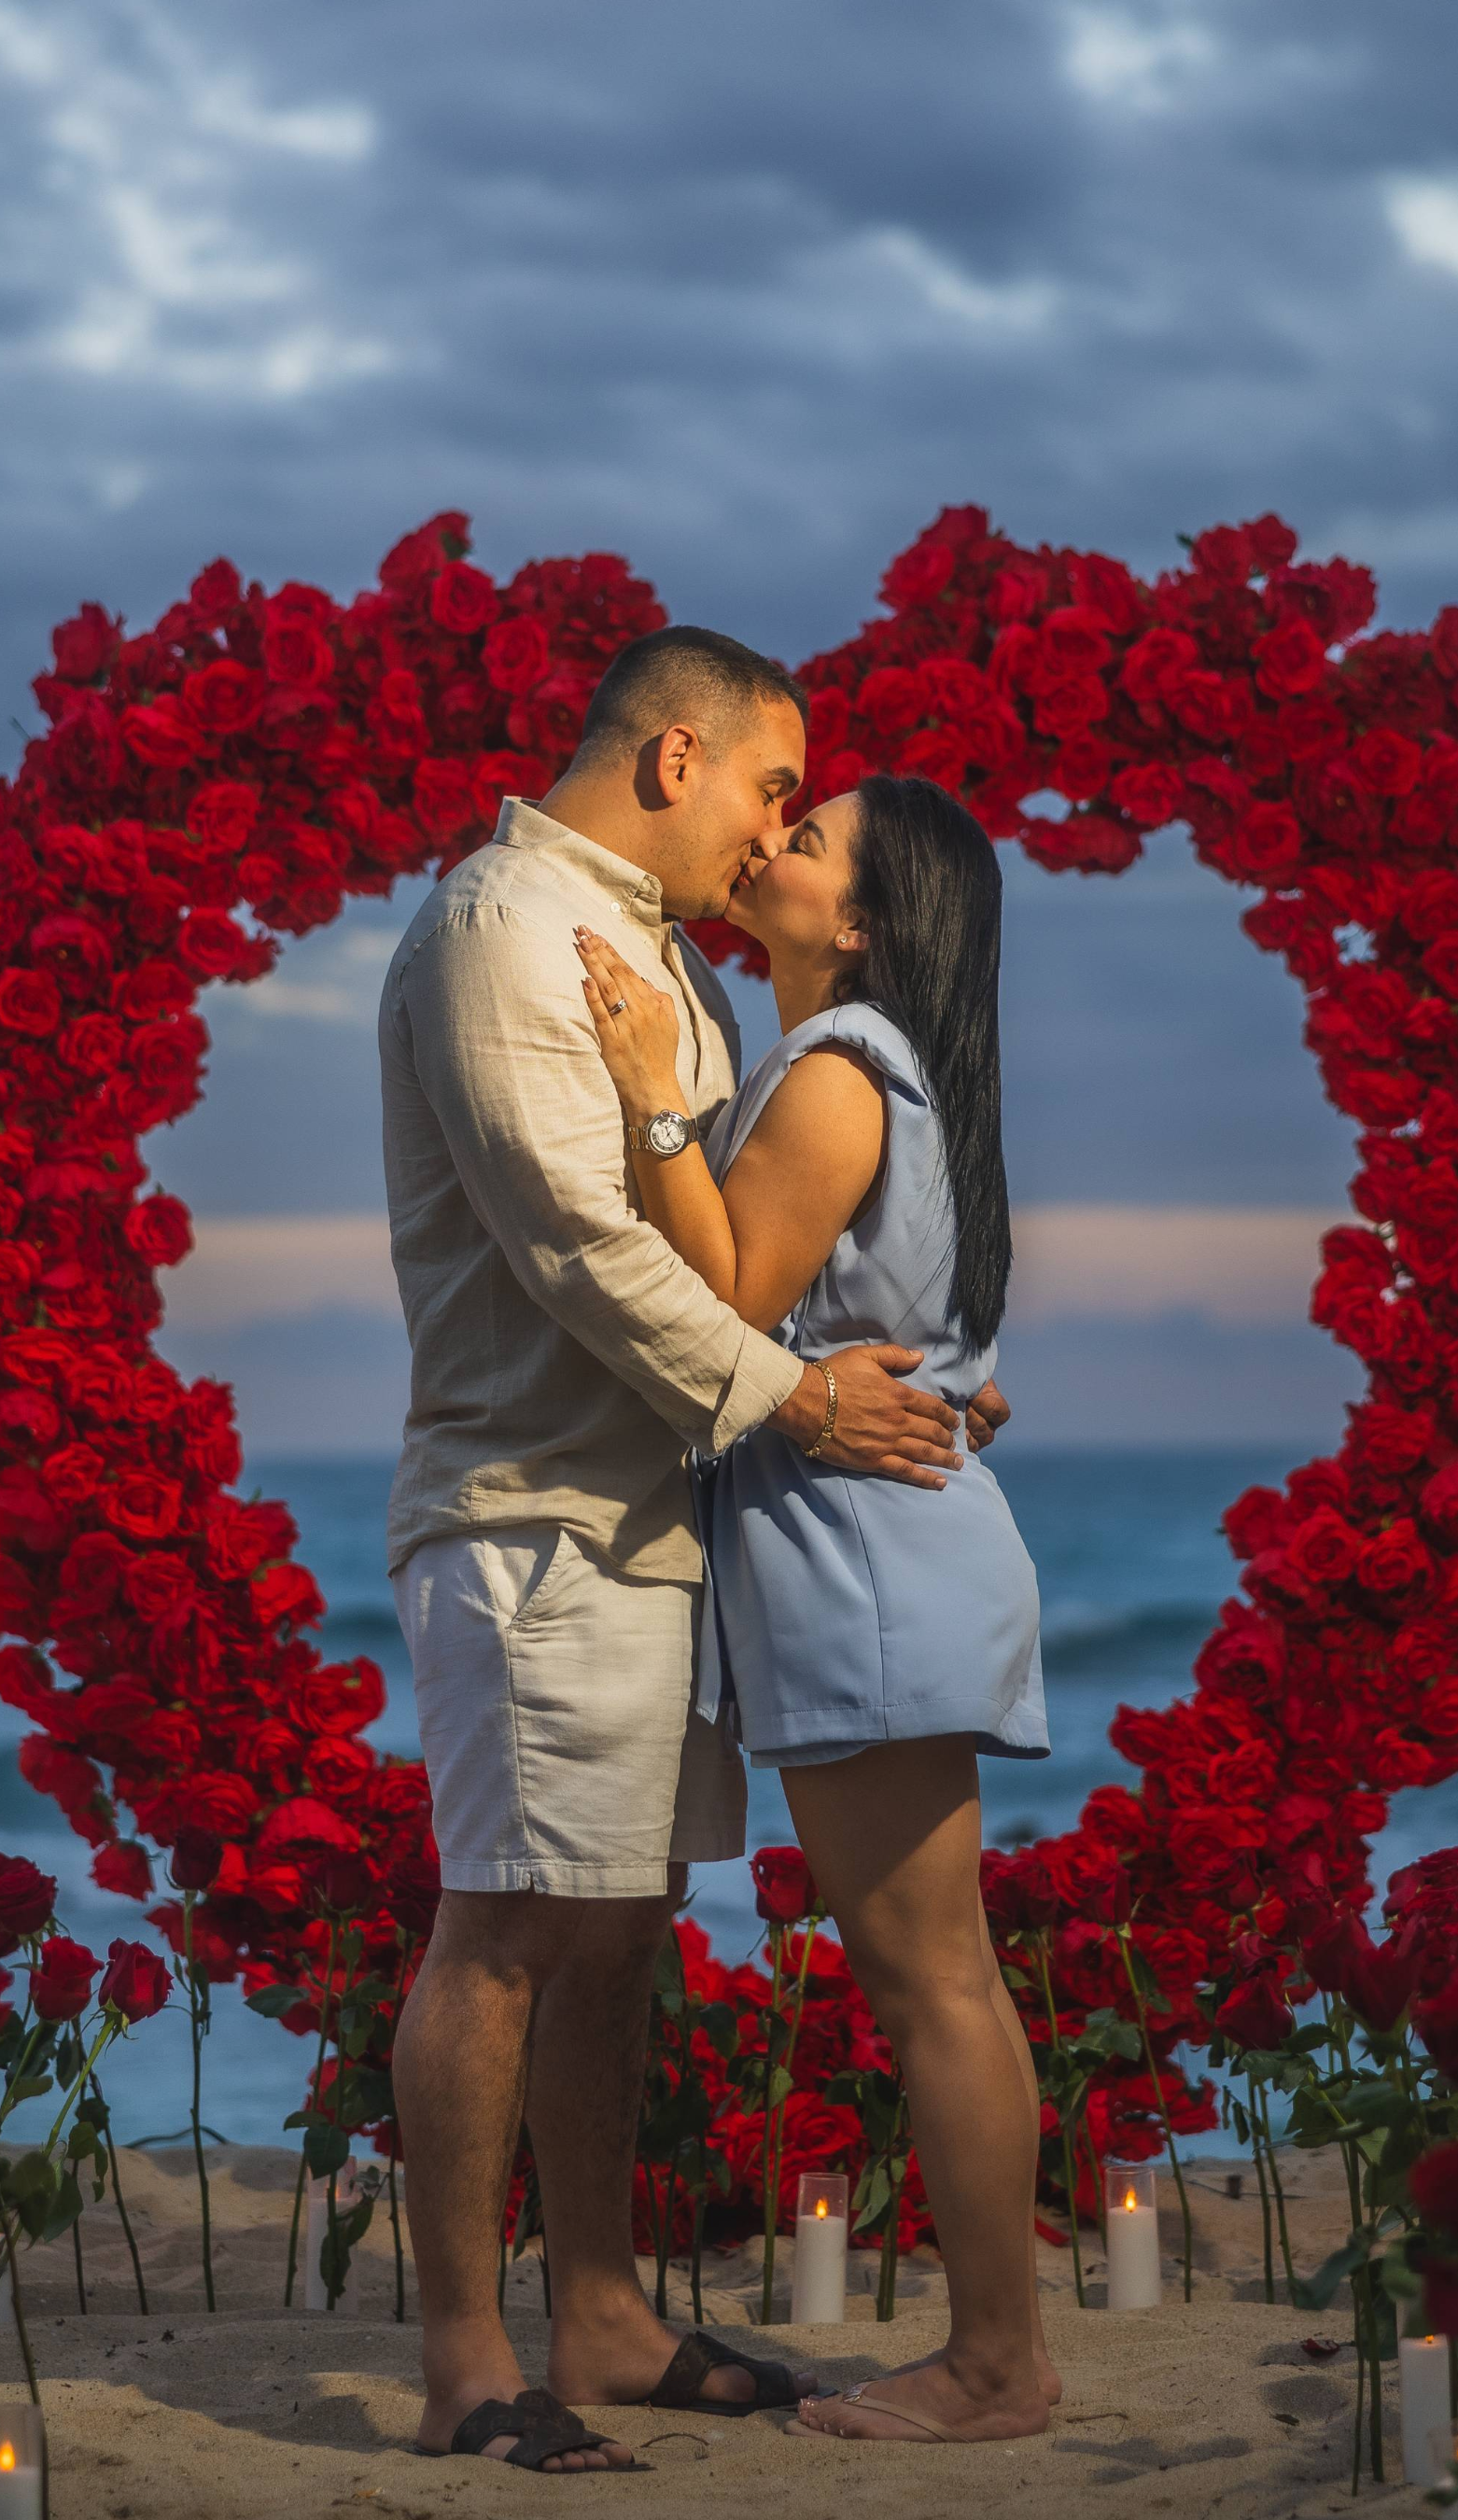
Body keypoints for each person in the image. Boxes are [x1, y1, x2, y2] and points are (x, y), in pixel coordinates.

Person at [378, 630, 1011, 2473]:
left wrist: (938, 1379)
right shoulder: (502, 928)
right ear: (674, 759)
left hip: (662, 1527)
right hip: (536, 1520)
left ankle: (598, 2315)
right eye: (766, 789)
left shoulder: (666, 963)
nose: (768, 833)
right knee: (500, 1925)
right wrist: (808, 1412)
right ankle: (463, 2366)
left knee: (620, 1930)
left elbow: (759, 1249)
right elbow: (586, 1255)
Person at [572, 772, 1054, 2446]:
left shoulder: (844, 1073)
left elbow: (723, 1307)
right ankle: (999, 2351)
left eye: (814, 833)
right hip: (881, 1549)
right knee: (941, 1976)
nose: (771, 838)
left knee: (933, 1982)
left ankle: (999, 2365)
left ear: (859, 922)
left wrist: (645, 1102)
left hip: (869, 1565)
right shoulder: (842, 1064)